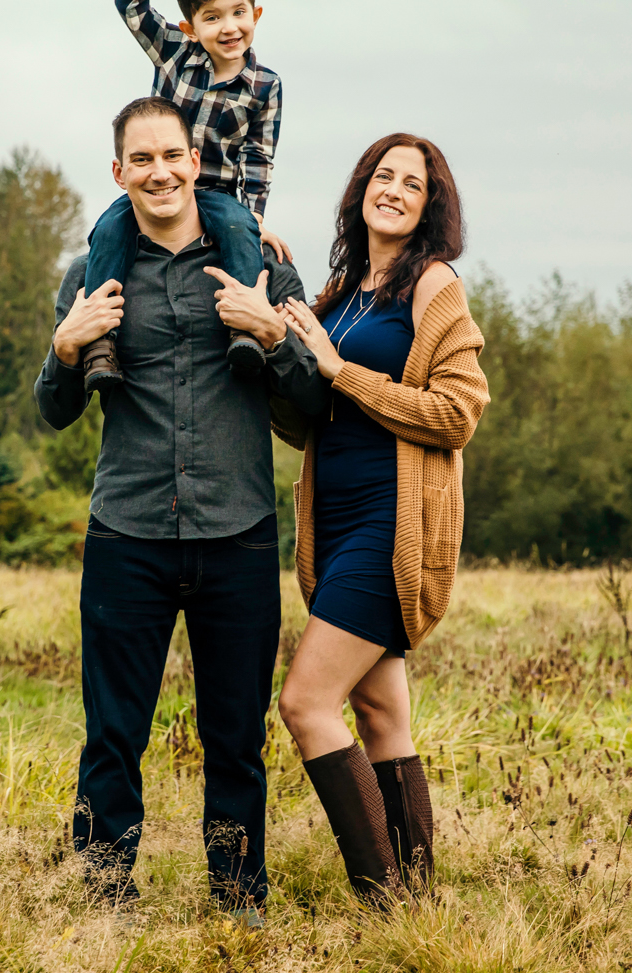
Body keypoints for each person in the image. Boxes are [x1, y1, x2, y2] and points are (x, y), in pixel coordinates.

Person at [35, 96, 326, 924]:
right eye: (142, 159)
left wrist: (272, 334)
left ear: (196, 162)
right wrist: (63, 350)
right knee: (112, 730)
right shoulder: (90, 273)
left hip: (237, 533)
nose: (160, 171)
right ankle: (104, 895)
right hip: (126, 533)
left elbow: (313, 412)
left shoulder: (261, 264)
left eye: (174, 156)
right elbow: (53, 411)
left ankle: (238, 897)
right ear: (119, 172)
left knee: (235, 737)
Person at [271, 133, 489, 907]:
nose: (394, 189)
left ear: (431, 206)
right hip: (335, 524)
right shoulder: (345, 290)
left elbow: (458, 411)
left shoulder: (433, 287)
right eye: (384, 174)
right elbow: (312, 415)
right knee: (379, 713)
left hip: (390, 530)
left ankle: (381, 901)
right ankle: (417, 907)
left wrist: (339, 369)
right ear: (362, 186)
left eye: (414, 183)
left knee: (304, 704)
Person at [78, 0, 290, 392]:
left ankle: (244, 331)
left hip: (213, 196)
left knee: (239, 233)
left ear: (255, 12)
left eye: (238, 12)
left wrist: (256, 214)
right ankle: (99, 342)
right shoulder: (175, 53)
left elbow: (258, 156)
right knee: (107, 231)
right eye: (213, 18)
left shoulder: (265, 86)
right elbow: (128, 4)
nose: (229, 27)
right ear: (191, 27)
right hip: (157, 191)